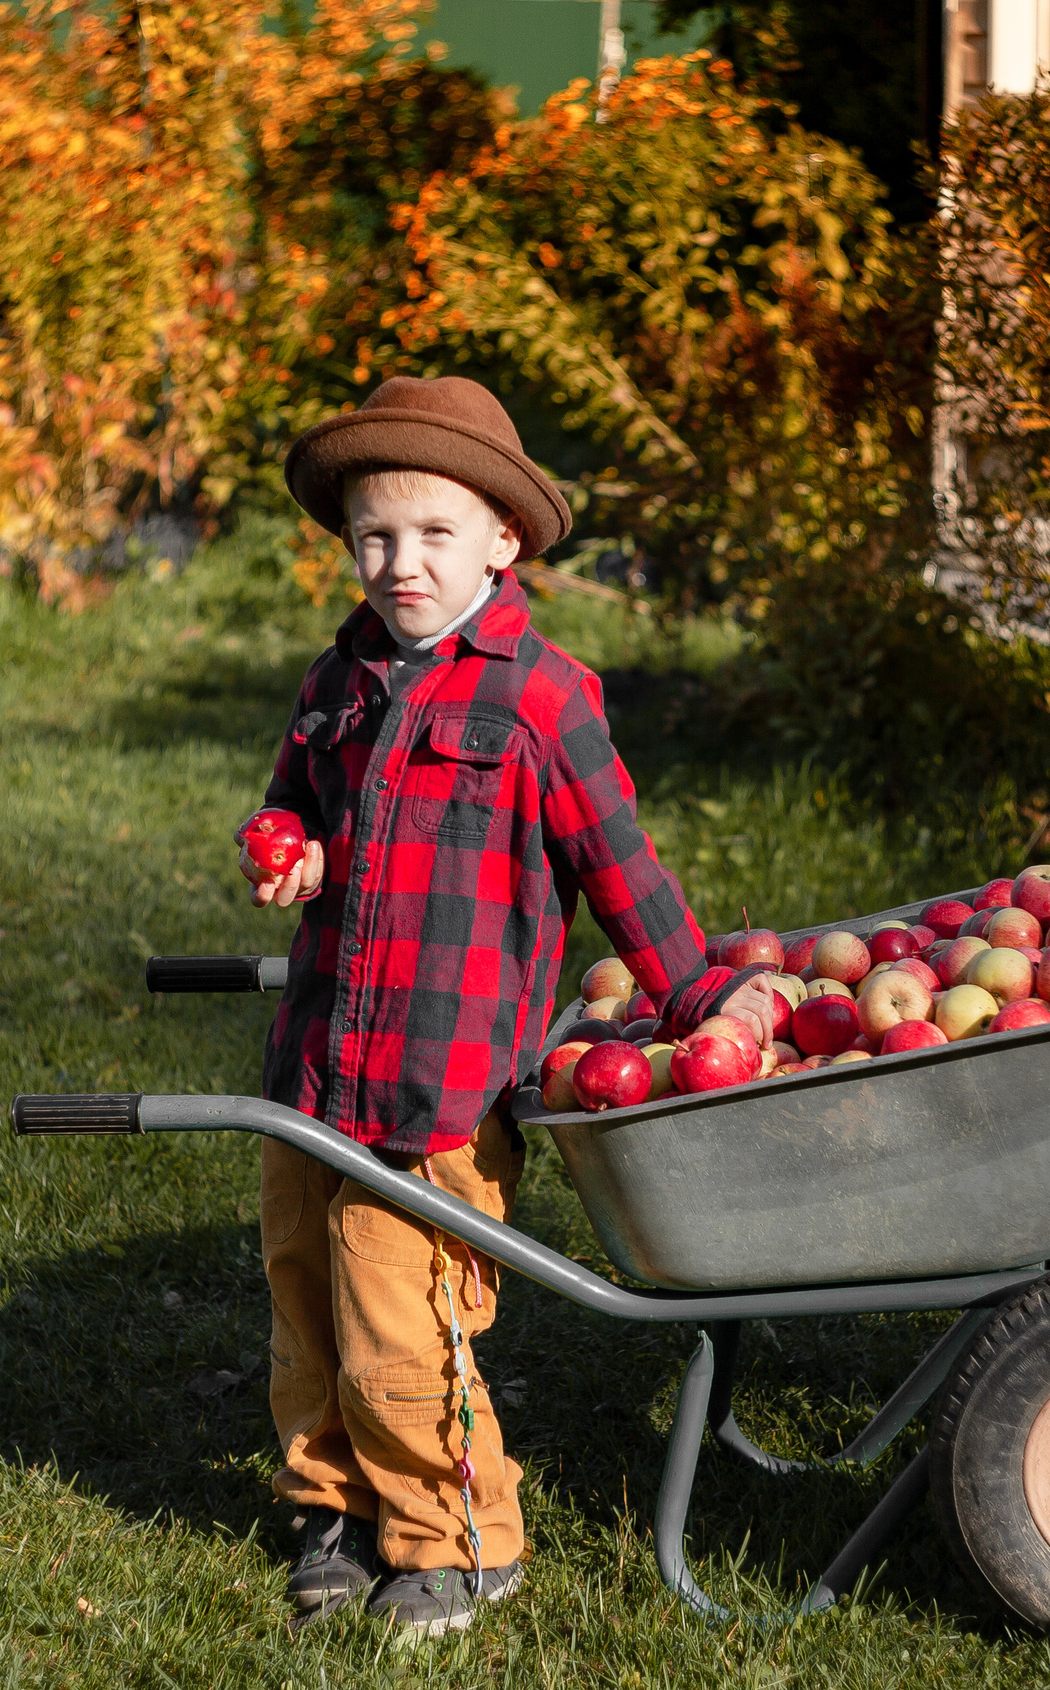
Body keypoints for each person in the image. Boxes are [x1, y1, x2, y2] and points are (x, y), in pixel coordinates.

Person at [235, 375, 708, 1640]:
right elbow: (292, 802)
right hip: (317, 1062)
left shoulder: (539, 695)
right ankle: (333, 1504)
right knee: (301, 1288)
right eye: (375, 537)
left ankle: (458, 1536)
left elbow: (621, 863)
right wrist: (284, 843)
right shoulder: (339, 678)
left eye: (434, 535)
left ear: (502, 542)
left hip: (438, 1084)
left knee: (398, 1312)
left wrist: (698, 998)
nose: (400, 564)